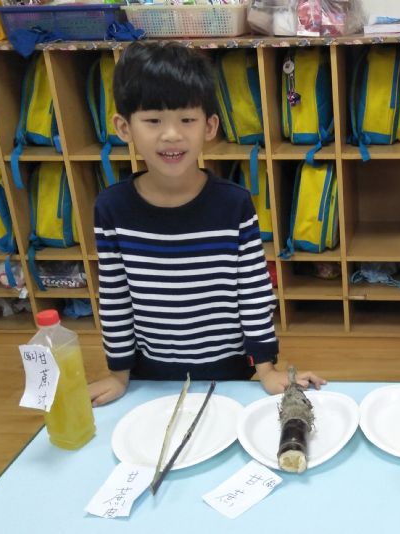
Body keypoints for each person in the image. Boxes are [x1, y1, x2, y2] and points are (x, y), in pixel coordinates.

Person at [87, 41, 325, 406]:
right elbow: (115, 299)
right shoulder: (111, 209)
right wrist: (118, 374)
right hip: (151, 376)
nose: (171, 134)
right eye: (153, 120)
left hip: (230, 372)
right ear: (124, 127)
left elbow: (253, 292)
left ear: (210, 126)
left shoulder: (234, 204)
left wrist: (267, 369)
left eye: (187, 120)